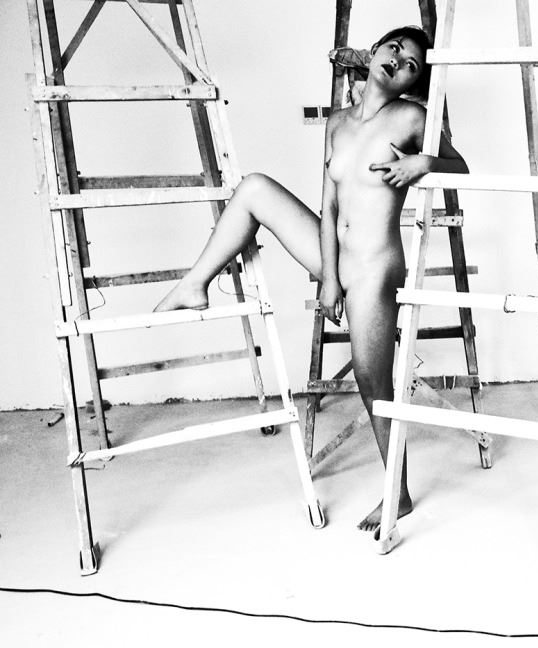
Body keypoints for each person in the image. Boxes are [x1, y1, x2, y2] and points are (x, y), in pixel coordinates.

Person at [154, 26, 468, 533]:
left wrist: (422, 163)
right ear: (374, 52)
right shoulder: (338, 122)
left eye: (411, 63)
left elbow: (462, 167)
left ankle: (399, 492)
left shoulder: (412, 118)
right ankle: (196, 283)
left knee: (372, 380)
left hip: (374, 266)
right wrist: (328, 281)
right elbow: (328, 207)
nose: (398, 60)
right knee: (254, 188)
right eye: (393, 48)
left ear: (413, 82)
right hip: (336, 257)